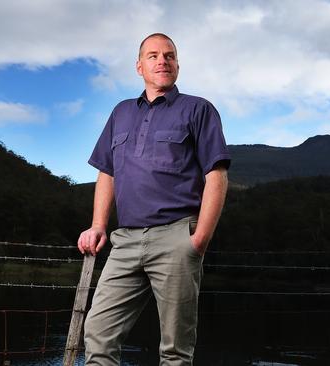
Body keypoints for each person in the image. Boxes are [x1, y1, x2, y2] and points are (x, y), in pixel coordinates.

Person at [78, 33, 231, 366]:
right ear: (139, 66)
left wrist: (199, 240)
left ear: (177, 64)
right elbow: (107, 171)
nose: (162, 60)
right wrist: (98, 225)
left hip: (177, 236)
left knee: (175, 350)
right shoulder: (120, 113)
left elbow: (216, 176)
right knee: (98, 334)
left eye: (169, 55)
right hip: (125, 241)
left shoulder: (198, 109)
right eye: (153, 55)